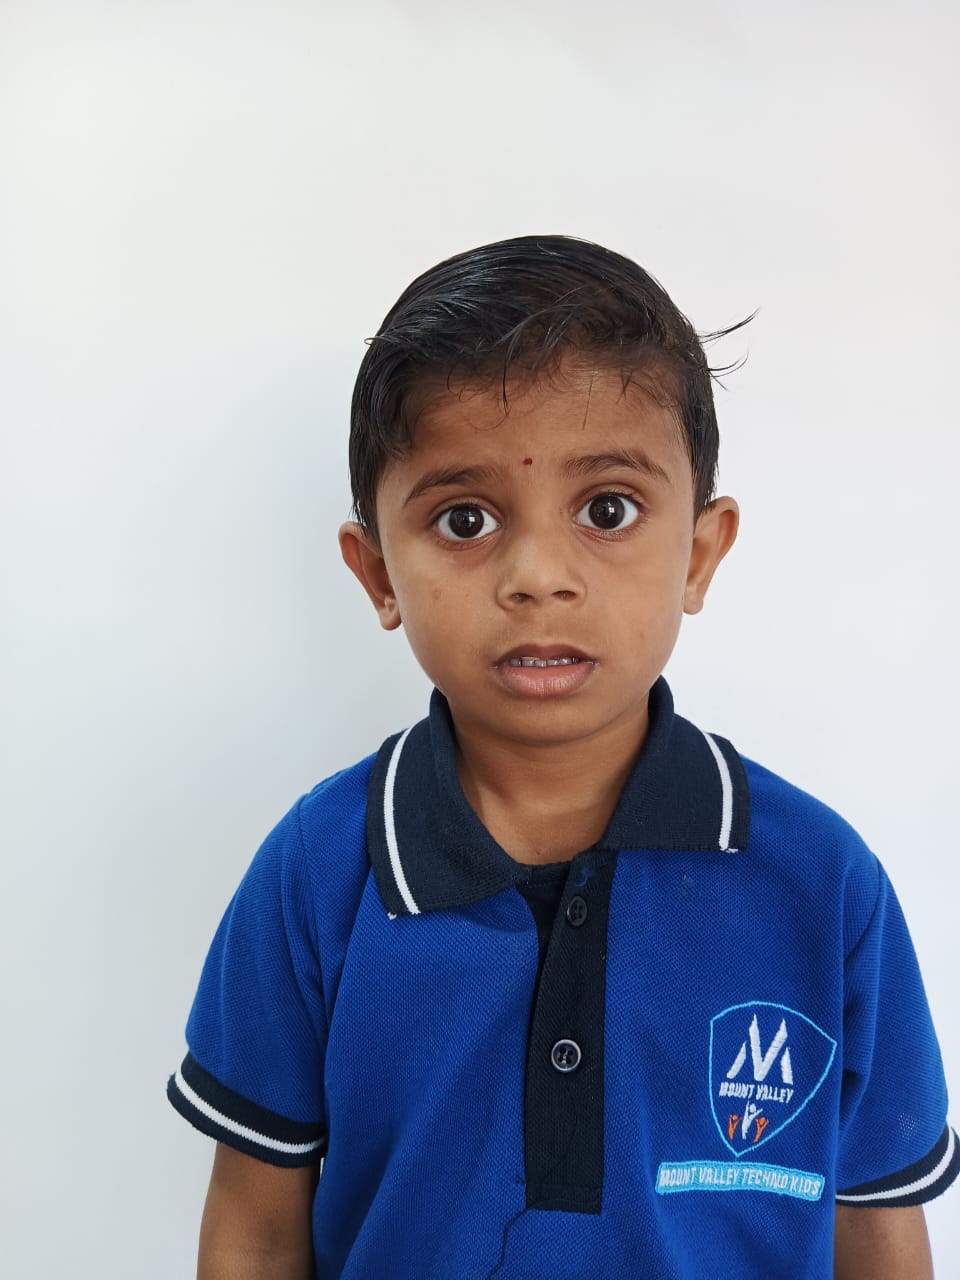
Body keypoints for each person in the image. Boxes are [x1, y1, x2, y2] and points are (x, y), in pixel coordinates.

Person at [168, 235, 958, 1278]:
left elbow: (877, 1224)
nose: (538, 574)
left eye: (607, 510)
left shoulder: (822, 882)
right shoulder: (316, 871)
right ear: (378, 574)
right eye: (465, 519)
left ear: (699, 553)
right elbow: (256, 1229)